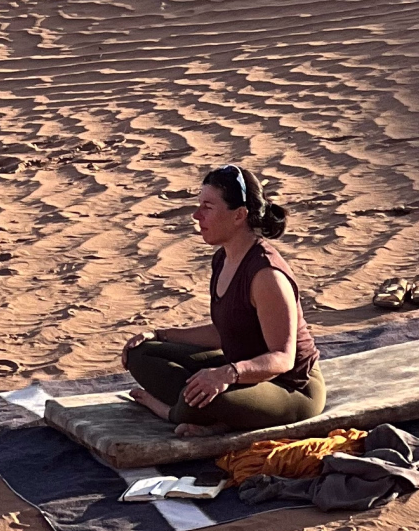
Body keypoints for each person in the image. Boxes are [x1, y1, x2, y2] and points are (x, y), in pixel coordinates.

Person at [121, 165, 326, 434]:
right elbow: (225, 331)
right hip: (240, 369)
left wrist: (226, 374)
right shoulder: (223, 257)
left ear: (239, 215)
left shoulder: (266, 275)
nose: (196, 216)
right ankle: (203, 411)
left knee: (198, 401)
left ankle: (171, 411)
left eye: (208, 206)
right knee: (141, 354)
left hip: (288, 387)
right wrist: (159, 334)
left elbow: (283, 359)